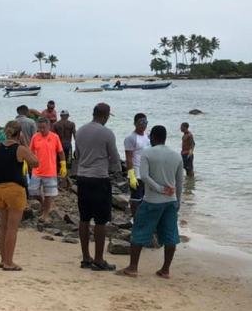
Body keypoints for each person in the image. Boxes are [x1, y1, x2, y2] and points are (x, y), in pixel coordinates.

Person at [117, 125, 184, 279]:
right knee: (170, 235)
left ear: (153, 137)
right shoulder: (176, 155)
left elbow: (145, 176)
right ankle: (165, 270)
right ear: (165, 137)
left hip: (152, 200)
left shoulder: (147, 153)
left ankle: (133, 267)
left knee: (140, 231)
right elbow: (180, 182)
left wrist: (159, 189)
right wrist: (178, 201)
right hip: (171, 201)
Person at [0, 120, 39, 270]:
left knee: (4, 227)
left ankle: (3, 259)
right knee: (12, 229)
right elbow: (35, 162)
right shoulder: (20, 149)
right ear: (19, 134)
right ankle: (9, 262)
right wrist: (25, 145)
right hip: (15, 189)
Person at [74, 102, 121, 272]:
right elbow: (115, 158)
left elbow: (77, 155)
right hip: (99, 178)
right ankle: (99, 259)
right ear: (105, 115)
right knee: (101, 220)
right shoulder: (107, 133)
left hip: (82, 177)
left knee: (84, 218)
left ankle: (86, 257)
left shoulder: (80, 131)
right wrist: (114, 169)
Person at [29, 118, 67, 223]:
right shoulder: (35, 137)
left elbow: (60, 152)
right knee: (33, 191)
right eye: (39, 127)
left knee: (48, 194)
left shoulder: (55, 137)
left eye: (43, 127)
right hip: (36, 170)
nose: (41, 130)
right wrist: (25, 163)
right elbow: (30, 151)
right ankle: (43, 204)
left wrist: (63, 165)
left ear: (48, 126)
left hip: (50, 171)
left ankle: (45, 214)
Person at [123, 113, 150, 217]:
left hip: (146, 173)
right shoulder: (131, 138)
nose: (143, 125)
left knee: (144, 198)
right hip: (136, 174)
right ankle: (135, 220)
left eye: (145, 122)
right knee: (136, 199)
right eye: (141, 123)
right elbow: (128, 158)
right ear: (135, 123)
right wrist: (131, 175)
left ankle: (142, 218)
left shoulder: (147, 137)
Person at [53, 110, 76, 189]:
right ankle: (65, 181)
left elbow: (53, 137)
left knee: (59, 163)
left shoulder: (56, 124)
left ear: (61, 116)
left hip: (59, 146)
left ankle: (58, 182)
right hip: (68, 145)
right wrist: (77, 148)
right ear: (68, 115)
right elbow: (75, 136)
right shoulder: (71, 124)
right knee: (67, 164)